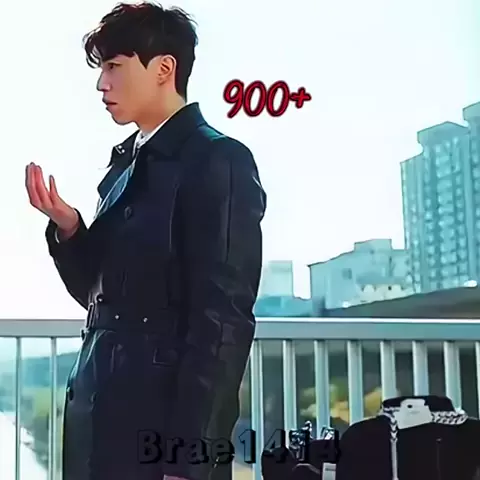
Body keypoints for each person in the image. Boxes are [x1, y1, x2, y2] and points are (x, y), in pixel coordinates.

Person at [24, 2, 267, 479]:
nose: (102, 84)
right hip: (99, 420)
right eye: (101, 69)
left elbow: (221, 324)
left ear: (163, 69)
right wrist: (70, 228)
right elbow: (97, 297)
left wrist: (187, 460)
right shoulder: (126, 166)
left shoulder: (217, 159)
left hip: (157, 432)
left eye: (114, 66)